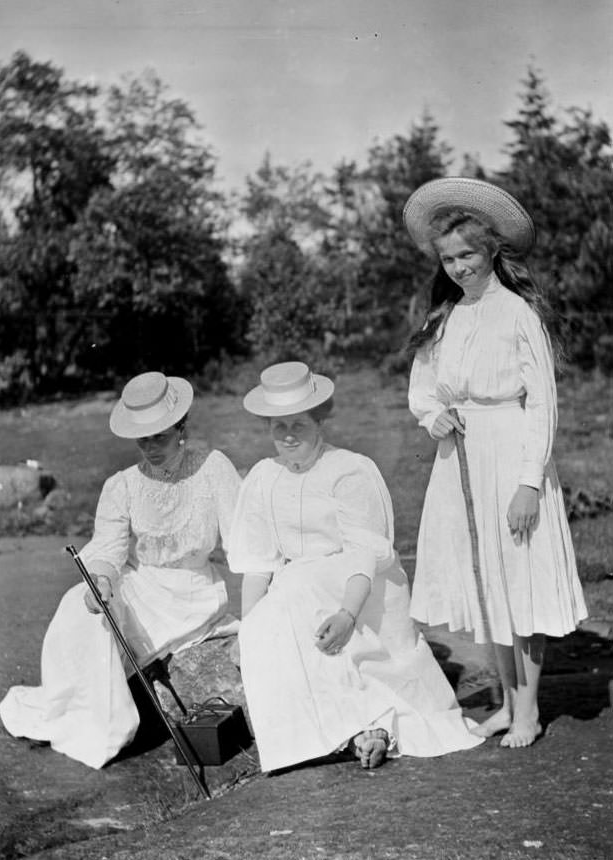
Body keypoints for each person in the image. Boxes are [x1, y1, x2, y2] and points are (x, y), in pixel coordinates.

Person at [227, 361, 483, 773]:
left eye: (299, 424)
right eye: (279, 427)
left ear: (319, 419)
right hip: (301, 588)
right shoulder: (262, 478)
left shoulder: (349, 470)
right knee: (267, 625)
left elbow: (365, 554)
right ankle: (356, 733)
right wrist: (249, 630)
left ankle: (371, 723)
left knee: (300, 594)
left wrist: (347, 615)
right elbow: (257, 566)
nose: (289, 436)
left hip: (363, 589)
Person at [404, 177, 587, 749]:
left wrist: (529, 483)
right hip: (459, 458)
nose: (459, 267)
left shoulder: (517, 314)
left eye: (468, 255)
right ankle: (507, 702)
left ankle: (529, 708)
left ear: (491, 251)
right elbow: (424, 387)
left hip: (511, 452)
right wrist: (433, 416)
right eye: (449, 258)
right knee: (483, 579)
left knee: (520, 580)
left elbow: (543, 404)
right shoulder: (445, 318)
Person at [0, 371, 241, 768]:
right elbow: (108, 546)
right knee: (78, 607)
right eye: (142, 439)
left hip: (190, 593)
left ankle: (110, 724)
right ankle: (84, 717)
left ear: (181, 427)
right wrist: (103, 580)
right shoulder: (123, 485)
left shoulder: (213, 469)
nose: (151, 447)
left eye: (159, 436)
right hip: (136, 580)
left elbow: (241, 540)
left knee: (110, 623)